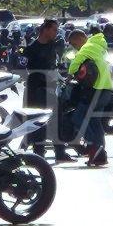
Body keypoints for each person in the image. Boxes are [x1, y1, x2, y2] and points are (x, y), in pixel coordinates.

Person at [23, 19, 70, 161]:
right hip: (37, 89)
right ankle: (39, 153)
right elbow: (27, 70)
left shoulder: (55, 46)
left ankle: (60, 153)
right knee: (38, 122)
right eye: (54, 30)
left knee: (57, 120)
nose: (56, 33)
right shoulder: (31, 48)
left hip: (52, 88)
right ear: (45, 30)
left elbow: (58, 64)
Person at [68, 29, 113, 166]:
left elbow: (74, 64)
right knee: (95, 121)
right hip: (106, 89)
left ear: (80, 38)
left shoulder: (87, 47)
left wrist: (69, 75)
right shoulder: (100, 46)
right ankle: (100, 156)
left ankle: (93, 146)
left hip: (96, 89)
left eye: (73, 44)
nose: (74, 47)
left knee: (78, 118)